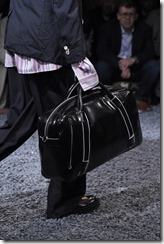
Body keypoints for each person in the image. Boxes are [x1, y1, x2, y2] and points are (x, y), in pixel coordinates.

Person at [1, 0, 100, 219]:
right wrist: (75, 55)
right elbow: (64, 6)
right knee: (65, 126)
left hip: (20, 37)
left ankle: (64, 198)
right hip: (47, 47)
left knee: (17, 124)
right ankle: (64, 201)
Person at [94, 0, 160, 112]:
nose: (128, 18)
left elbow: (149, 51)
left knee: (154, 66)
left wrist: (133, 60)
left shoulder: (144, 29)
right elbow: (101, 51)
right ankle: (107, 100)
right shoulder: (107, 28)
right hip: (114, 67)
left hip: (135, 68)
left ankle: (140, 98)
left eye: (131, 14)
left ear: (136, 16)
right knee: (101, 66)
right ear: (118, 16)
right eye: (124, 14)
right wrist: (120, 63)